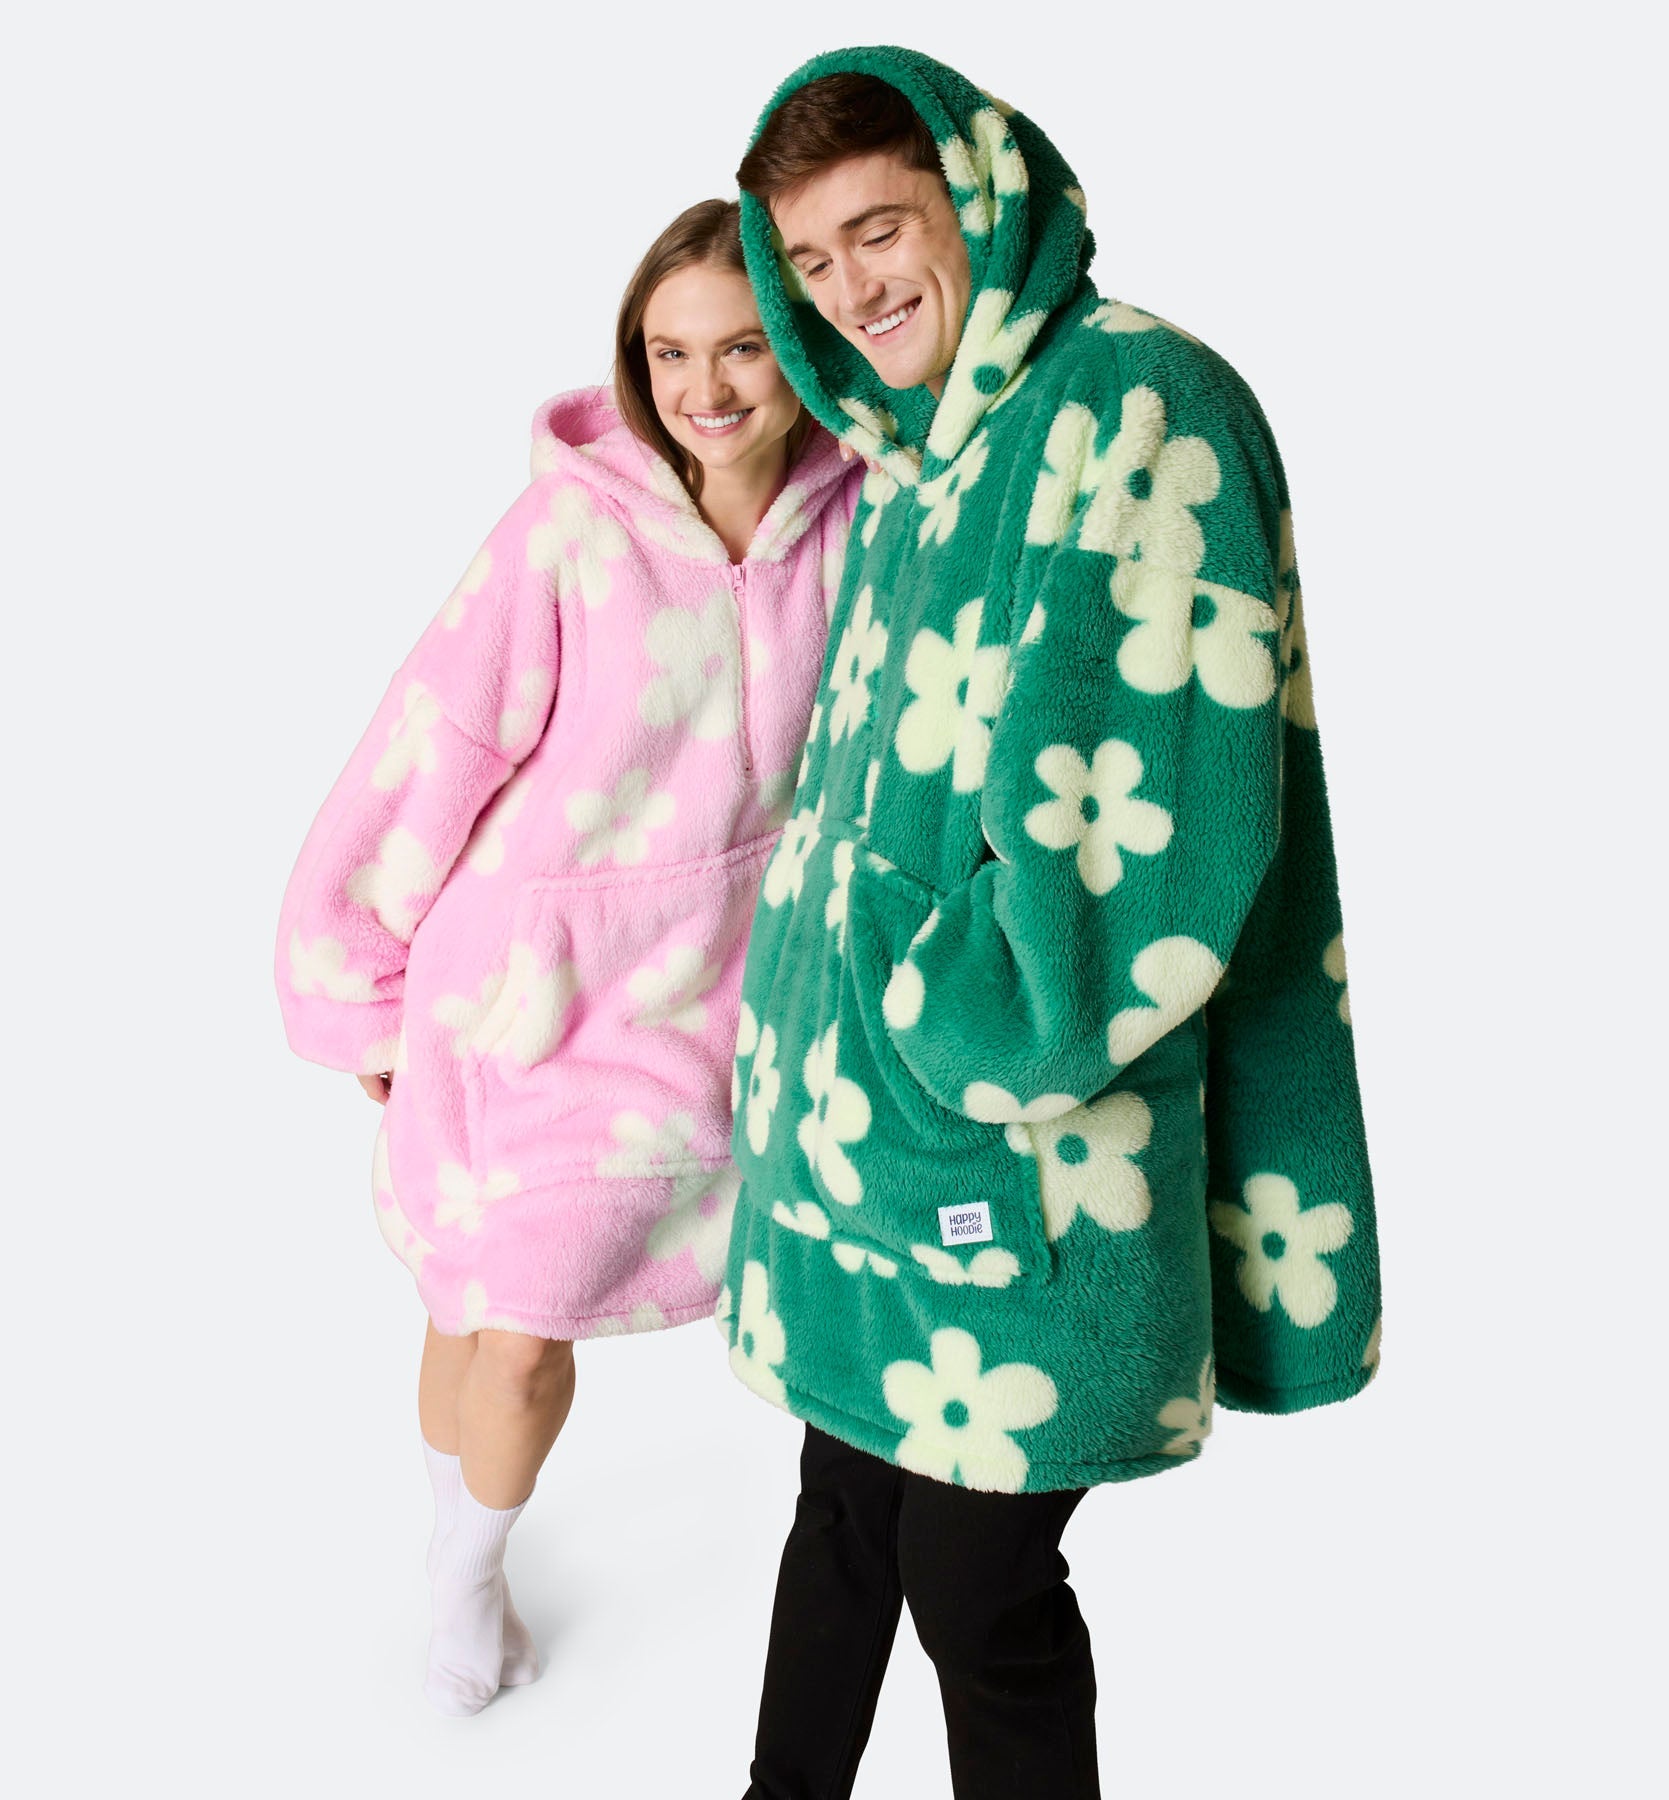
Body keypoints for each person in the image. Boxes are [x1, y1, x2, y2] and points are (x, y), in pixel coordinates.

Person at [715, 47, 1383, 1798]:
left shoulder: (1135, 408)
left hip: (1014, 1140)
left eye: (880, 232)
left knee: (977, 1581)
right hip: (862, 1139)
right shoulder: (917, 456)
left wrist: (961, 1022)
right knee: (845, 1510)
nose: (849, 291)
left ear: (979, 197)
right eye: (810, 260)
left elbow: (1148, 831)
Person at [273, 198, 861, 1715]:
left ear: (803, 346)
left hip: (714, 1001)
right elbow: (432, 747)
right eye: (670, 352)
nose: (704, 386)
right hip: (520, 1000)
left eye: (743, 347)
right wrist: (366, 990)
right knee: (487, 1320)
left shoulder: (866, 518)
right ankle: (467, 1566)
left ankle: (462, 1540)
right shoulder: (568, 533)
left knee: (503, 1322)